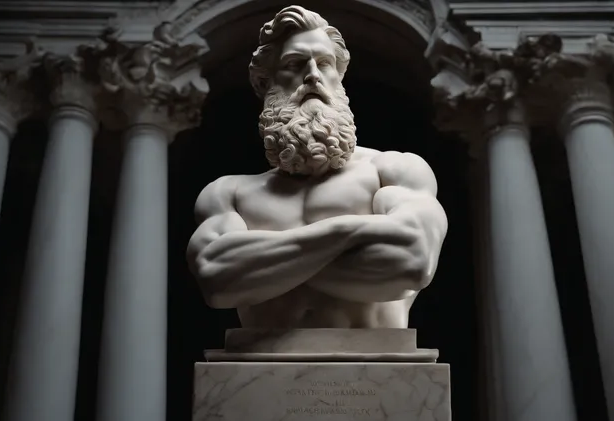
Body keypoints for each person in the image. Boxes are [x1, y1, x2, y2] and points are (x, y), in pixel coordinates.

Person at [187, 5, 447, 328]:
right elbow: (217, 279)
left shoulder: (391, 171)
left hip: (377, 366)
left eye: (324, 63)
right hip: (257, 369)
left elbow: (412, 261)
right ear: (265, 83)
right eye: (294, 64)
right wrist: (348, 231)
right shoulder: (230, 193)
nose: (313, 74)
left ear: (339, 77)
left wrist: (265, 267)